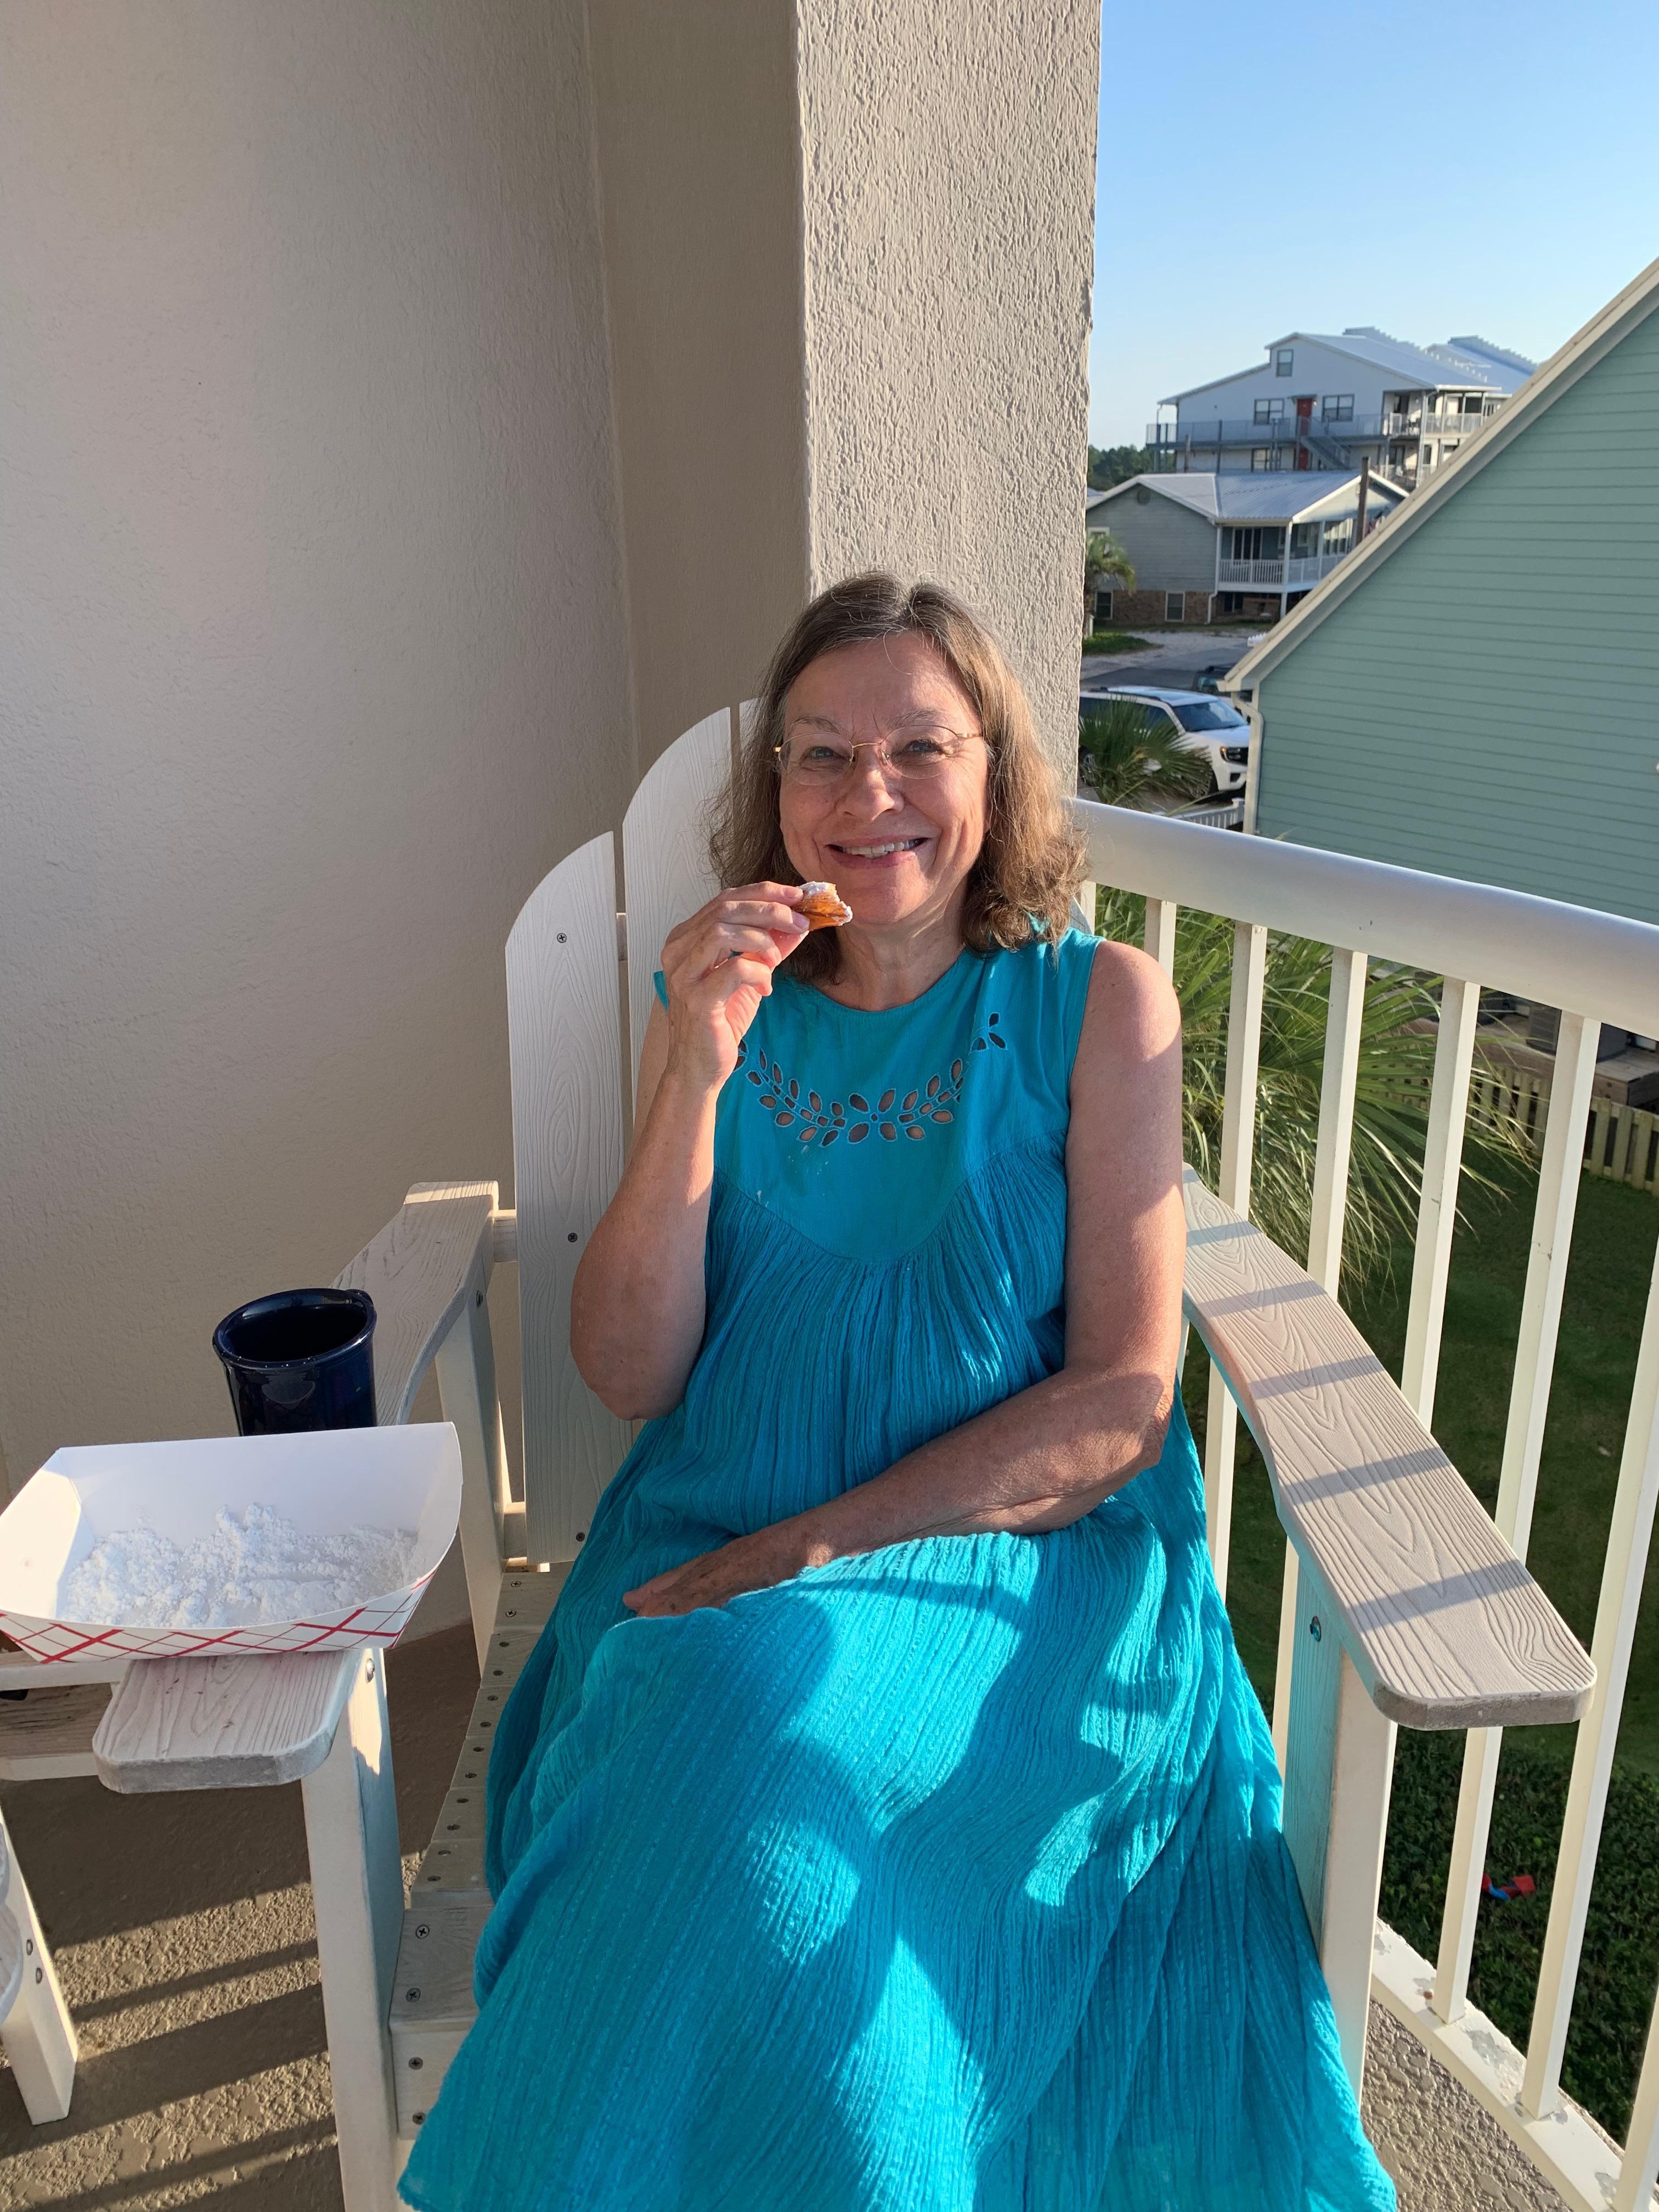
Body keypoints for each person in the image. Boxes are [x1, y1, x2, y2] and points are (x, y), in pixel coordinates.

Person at [399, 575, 1395, 2212]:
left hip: (1017, 1562)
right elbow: (628, 1367)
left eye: (919, 748)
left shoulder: (1098, 1008)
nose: (869, 796)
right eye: (820, 755)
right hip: (717, 1527)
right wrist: (692, 1076)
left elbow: (1122, 1403)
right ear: (773, 792)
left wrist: (815, 1550)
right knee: (719, 1769)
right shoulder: (722, 1006)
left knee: (759, 1797)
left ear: (992, 774)